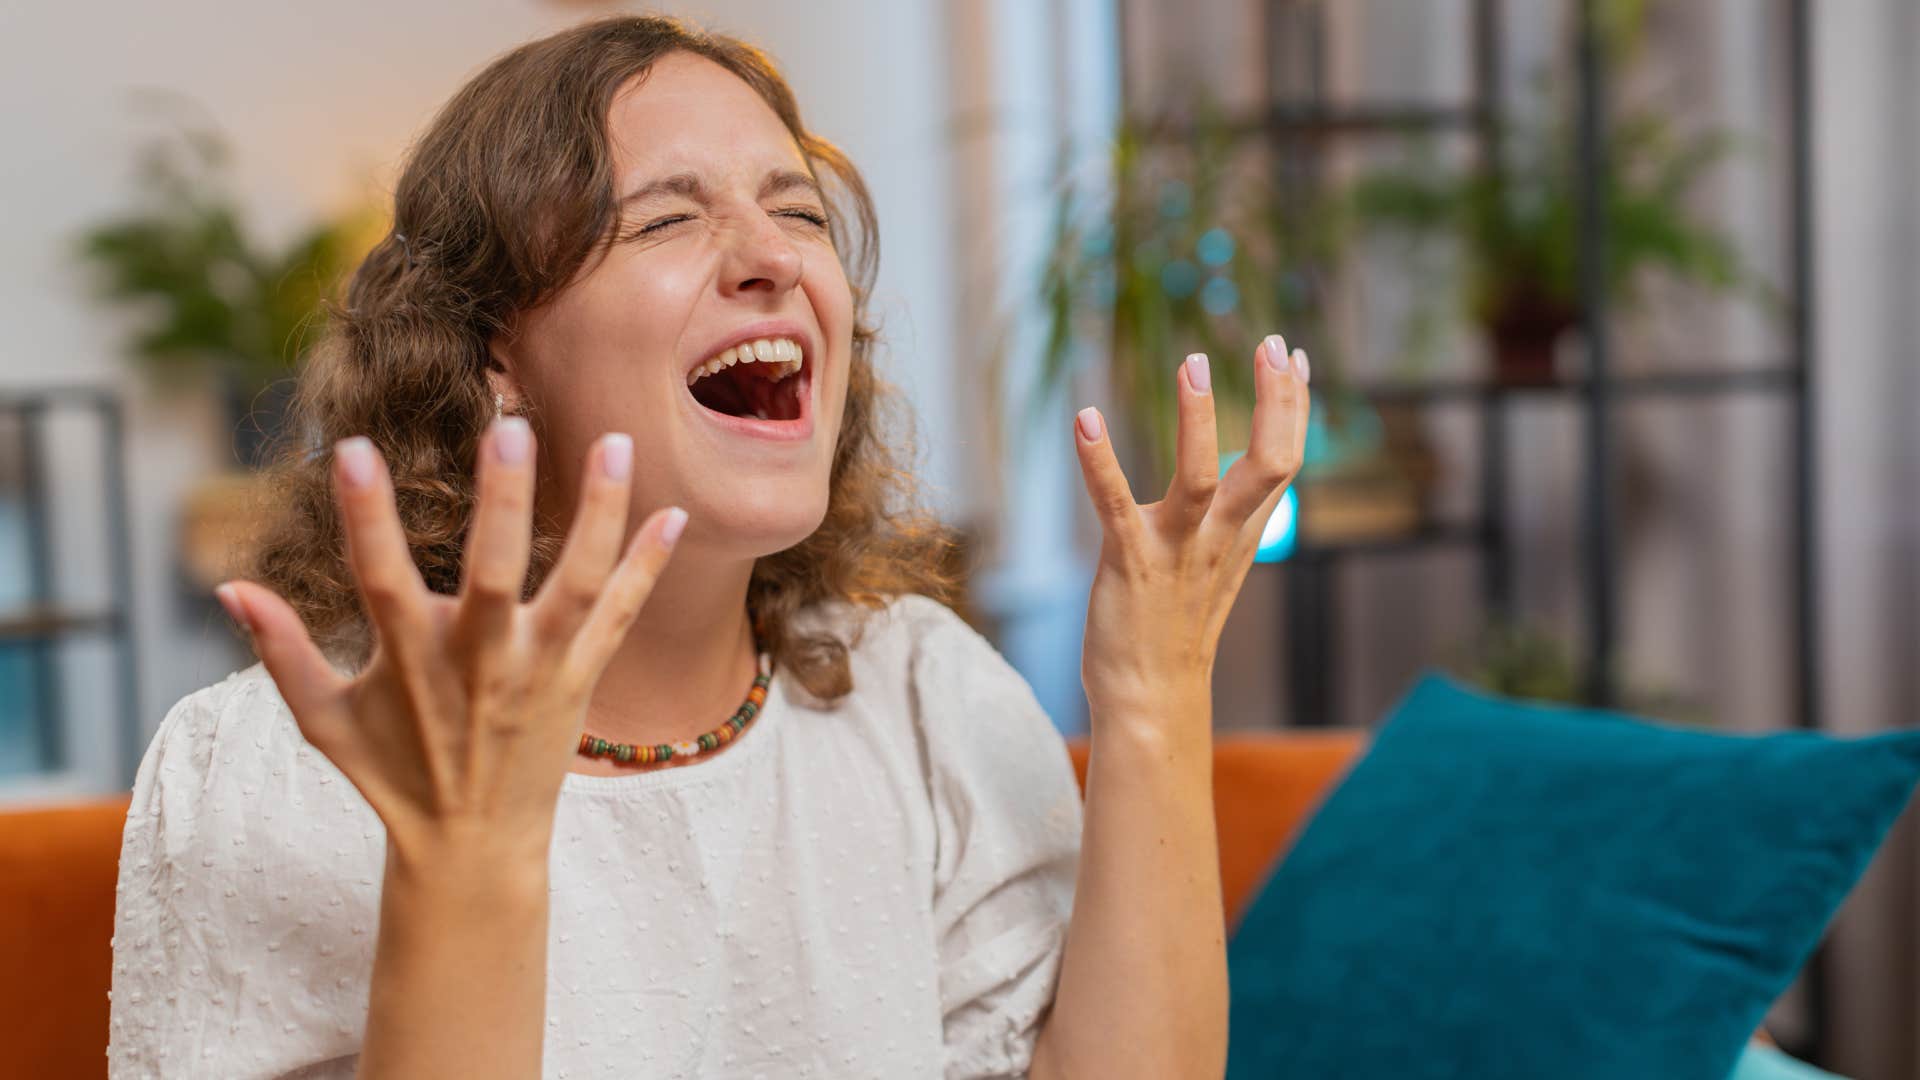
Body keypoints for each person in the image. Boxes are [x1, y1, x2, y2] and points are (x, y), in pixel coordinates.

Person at [105, 14, 1309, 1079]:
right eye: (666, 218)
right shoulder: (272, 771)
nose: (774, 256)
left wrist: (1152, 693)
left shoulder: (925, 701)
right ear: (495, 359)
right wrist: (463, 864)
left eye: (798, 212)